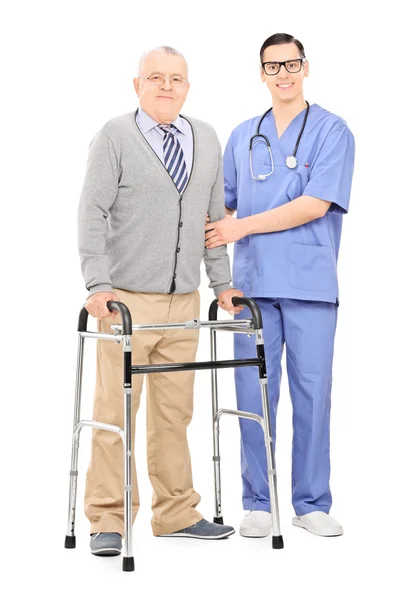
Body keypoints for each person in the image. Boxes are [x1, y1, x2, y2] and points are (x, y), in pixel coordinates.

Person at [78, 45, 243, 556]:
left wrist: (222, 286)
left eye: (176, 79)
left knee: (175, 414)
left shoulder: (207, 138)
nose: (166, 86)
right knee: (115, 410)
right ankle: (107, 518)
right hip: (124, 302)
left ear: (188, 87)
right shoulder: (115, 136)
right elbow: (91, 211)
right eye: (156, 77)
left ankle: (175, 513)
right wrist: (96, 284)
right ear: (137, 85)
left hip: (184, 303)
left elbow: (214, 222)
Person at [205, 33, 355, 538]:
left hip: (311, 283)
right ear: (261, 74)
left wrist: (242, 227)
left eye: (291, 64)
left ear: (306, 68)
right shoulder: (245, 135)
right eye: (273, 66)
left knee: (312, 392)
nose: (283, 73)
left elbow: (315, 204)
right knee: (253, 392)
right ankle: (257, 500)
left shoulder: (333, 132)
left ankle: (310, 502)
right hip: (254, 285)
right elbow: (224, 206)